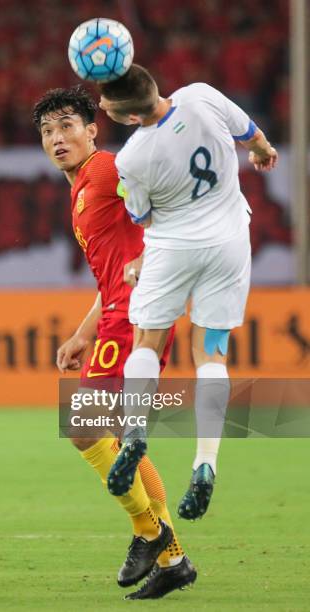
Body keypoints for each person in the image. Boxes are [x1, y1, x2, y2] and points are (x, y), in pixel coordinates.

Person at [32, 86, 196, 600]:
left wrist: (160, 255)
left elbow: (165, 205)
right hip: (122, 315)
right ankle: (173, 561)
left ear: (91, 130)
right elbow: (111, 275)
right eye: (48, 131)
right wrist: (85, 332)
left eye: (67, 126)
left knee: (84, 428)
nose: (58, 138)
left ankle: (152, 534)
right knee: (120, 438)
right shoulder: (80, 189)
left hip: (138, 314)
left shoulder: (106, 171)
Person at [98, 64, 278, 520]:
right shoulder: (200, 95)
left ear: (124, 117)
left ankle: (135, 431)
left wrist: (143, 259)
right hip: (230, 245)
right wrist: (261, 151)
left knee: (146, 342)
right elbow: (251, 134)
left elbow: (142, 218)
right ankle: (205, 463)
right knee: (212, 354)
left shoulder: (132, 158)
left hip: (173, 250)